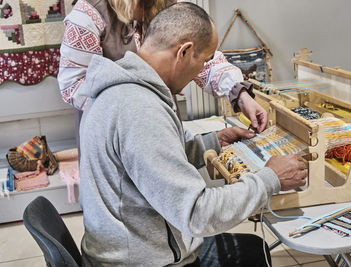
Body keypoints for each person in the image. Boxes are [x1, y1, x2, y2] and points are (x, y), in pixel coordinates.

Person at [79, 3, 307, 266]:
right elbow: (198, 214)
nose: (202, 70)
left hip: (133, 248)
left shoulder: (122, 89)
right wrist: (271, 179)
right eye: (205, 60)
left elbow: (144, 165)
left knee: (255, 250)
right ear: (184, 52)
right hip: (140, 261)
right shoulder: (139, 109)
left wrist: (212, 143)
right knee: (254, 256)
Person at [58, 0, 267, 133]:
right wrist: (142, 112)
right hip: (116, 134)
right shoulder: (88, 15)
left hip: (159, 126)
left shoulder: (163, 5)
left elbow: (200, 57)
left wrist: (239, 93)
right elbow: (75, 86)